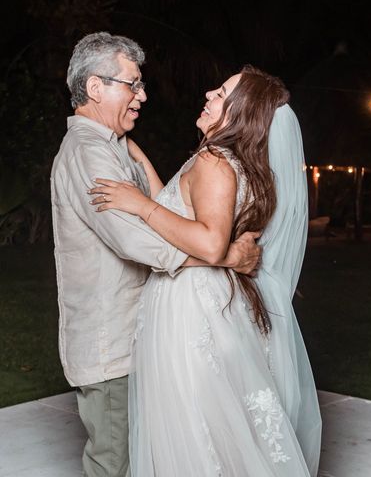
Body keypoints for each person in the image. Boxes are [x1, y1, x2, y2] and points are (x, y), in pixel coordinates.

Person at [88, 66, 322, 475]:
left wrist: (140, 204)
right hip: (204, 301)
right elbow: (176, 205)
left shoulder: (215, 161)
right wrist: (132, 151)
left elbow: (211, 244)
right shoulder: (231, 162)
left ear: (240, 112)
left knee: (193, 422)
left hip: (189, 305)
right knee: (213, 422)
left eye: (223, 92)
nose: (210, 92)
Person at [50, 32, 260, 477]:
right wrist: (225, 257)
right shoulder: (90, 153)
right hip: (111, 347)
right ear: (94, 87)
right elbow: (136, 241)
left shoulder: (112, 147)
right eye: (133, 84)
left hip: (135, 338)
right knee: (115, 463)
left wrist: (128, 147)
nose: (142, 95)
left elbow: (163, 209)